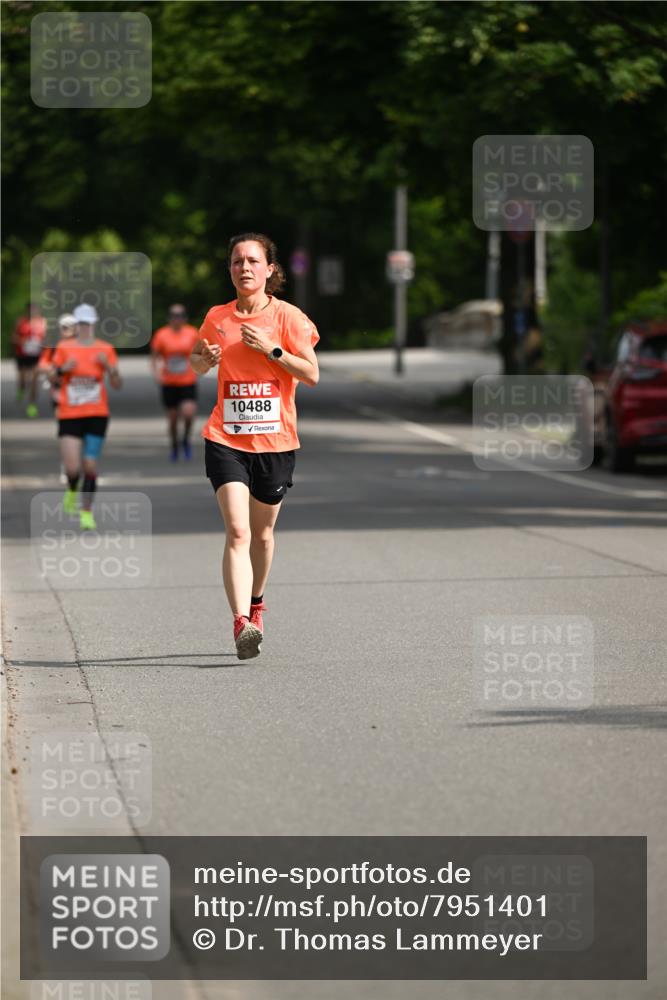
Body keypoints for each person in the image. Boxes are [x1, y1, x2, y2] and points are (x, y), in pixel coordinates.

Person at [191, 233, 319, 660]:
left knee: (263, 535)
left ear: (269, 270)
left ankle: (256, 603)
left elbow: (311, 374)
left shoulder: (289, 318)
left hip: (275, 441)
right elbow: (195, 360)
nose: (243, 268)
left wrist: (273, 349)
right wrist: (204, 361)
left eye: (251, 261)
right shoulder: (217, 317)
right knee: (238, 531)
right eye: (236, 262)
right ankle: (241, 622)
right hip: (225, 437)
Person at [51, 303, 122, 531]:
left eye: (88, 324)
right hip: (69, 414)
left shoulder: (105, 349)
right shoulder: (63, 348)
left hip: (96, 414)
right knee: (72, 469)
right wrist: (63, 370)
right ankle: (72, 488)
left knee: (89, 465)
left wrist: (109, 368)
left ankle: (86, 512)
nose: (85, 328)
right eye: (81, 324)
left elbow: (117, 385)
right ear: (76, 325)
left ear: (94, 324)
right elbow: (52, 379)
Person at [150, 304, 200, 460]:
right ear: (169, 318)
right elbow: (155, 357)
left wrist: (199, 366)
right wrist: (157, 374)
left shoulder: (192, 333)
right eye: (173, 315)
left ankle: (186, 439)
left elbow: (199, 353)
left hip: (187, 381)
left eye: (180, 315)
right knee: (172, 419)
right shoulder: (162, 334)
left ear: (184, 318)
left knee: (188, 414)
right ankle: (174, 444)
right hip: (169, 382)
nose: (176, 318)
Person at [12, 302, 47, 417]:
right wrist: (22, 341)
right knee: (23, 380)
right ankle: (21, 390)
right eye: (30, 310)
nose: (32, 312)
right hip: (22, 355)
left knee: (33, 382)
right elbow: (13, 338)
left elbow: (48, 338)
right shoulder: (21, 322)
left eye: (34, 310)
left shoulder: (43, 322)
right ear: (27, 311)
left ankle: (32, 405)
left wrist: (42, 344)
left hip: (36, 356)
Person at [39, 313, 77, 410]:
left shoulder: (82, 345)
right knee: (60, 411)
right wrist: (52, 368)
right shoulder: (53, 346)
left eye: (71, 327)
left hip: (78, 386)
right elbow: (42, 363)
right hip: (58, 385)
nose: (67, 331)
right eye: (64, 327)